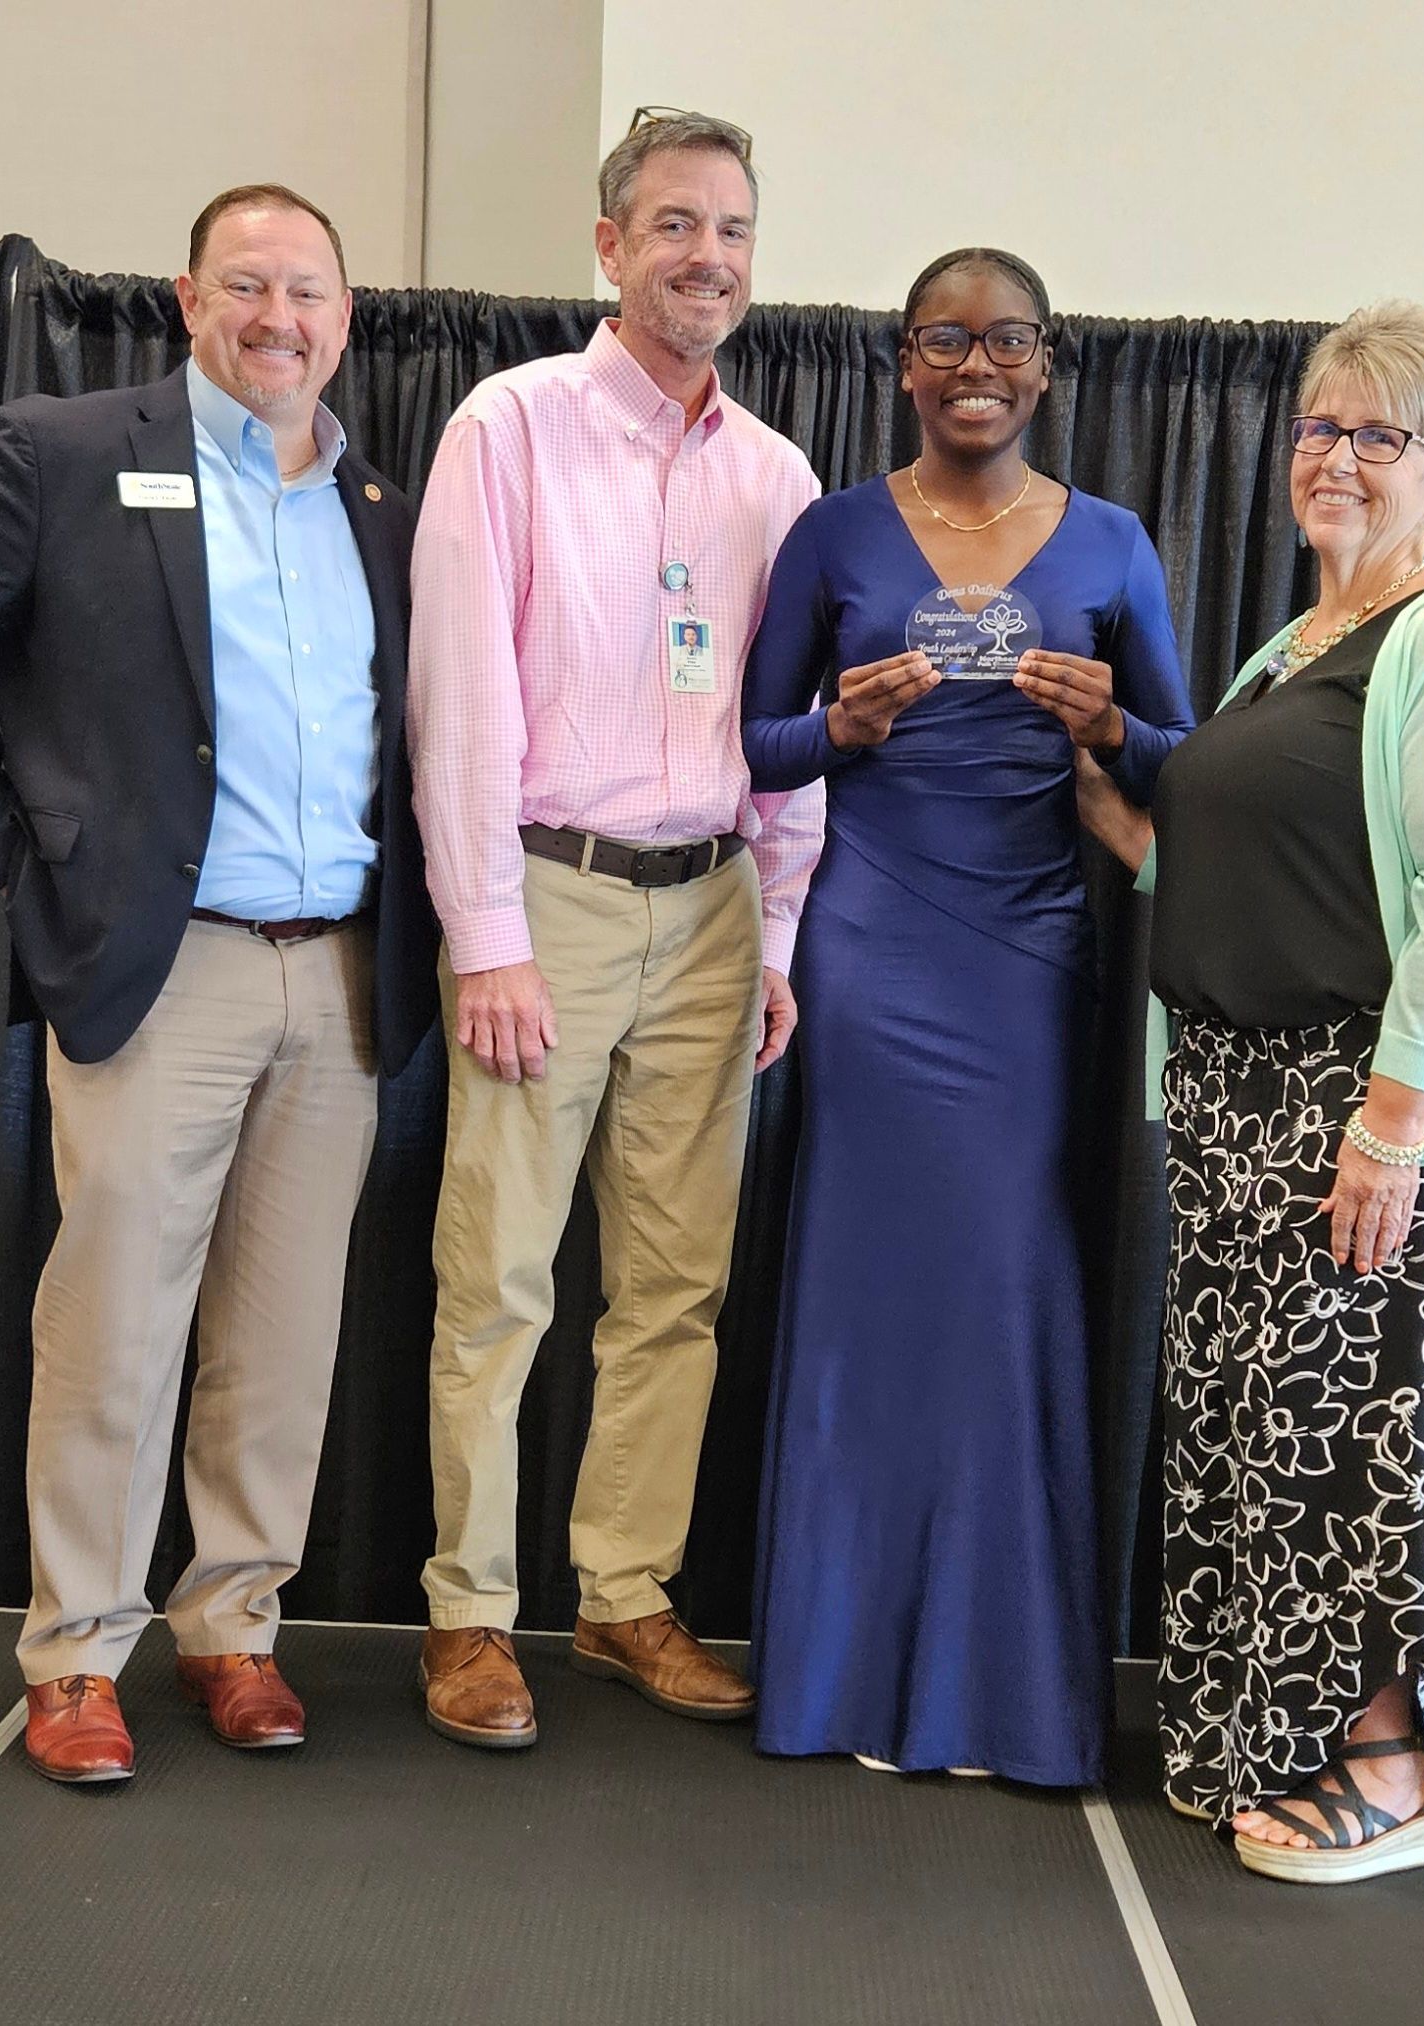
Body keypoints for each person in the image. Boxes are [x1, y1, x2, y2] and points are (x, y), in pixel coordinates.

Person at [0, 184, 437, 1783]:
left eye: (307, 291)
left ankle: (234, 1626)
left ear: (346, 312)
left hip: (339, 977)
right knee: (113, 1323)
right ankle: (77, 1652)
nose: (279, 318)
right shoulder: (65, 451)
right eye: (245, 285)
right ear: (188, 300)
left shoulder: (382, 498)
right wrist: (10, 857)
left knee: (285, 1328)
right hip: (152, 966)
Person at [1076, 300, 1424, 1880]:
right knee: (1264, 1441)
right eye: (1319, 429)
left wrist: (1394, 1123)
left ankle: (1398, 1766)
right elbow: (1250, 867)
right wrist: (1117, 814)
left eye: (1379, 436)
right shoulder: (1292, 652)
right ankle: (1275, 1726)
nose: (1336, 458)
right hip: (1238, 1110)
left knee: (1376, 1448)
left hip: (1363, 1113)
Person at [741, 248, 1193, 1780]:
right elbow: (758, 738)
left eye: (1007, 338)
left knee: (1002, 1297)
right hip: (876, 950)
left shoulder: (1116, 543)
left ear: (1049, 362)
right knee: (872, 1303)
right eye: (948, 338)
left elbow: (1181, 761)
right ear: (907, 360)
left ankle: (995, 1686)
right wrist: (842, 721)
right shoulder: (834, 532)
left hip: (1024, 960)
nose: (977, 361)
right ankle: (847, 1679)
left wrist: (1114, 722)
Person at [406, 109, 824, 1748]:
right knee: (497, 1278)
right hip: (551, 901)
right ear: (609, 247)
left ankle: (626, 1593)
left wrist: (778, 934)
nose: (703, 255)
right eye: (671, 225)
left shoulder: (780, 476)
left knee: (673, 1288)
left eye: (729, 228)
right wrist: (487, 931)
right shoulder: (506, 428)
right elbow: (461, 698)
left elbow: (790, 733)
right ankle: (467, 1616)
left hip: (715, 908)